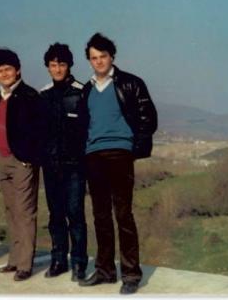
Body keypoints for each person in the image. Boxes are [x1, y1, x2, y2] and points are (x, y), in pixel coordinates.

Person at [78, 33, 158, 295]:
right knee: (100, 215)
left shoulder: (131, 83)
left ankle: (131, 275)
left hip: (120, 153)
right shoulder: (87, 90)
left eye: (103, 56)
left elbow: (148, 118)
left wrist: (135, 147)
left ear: (112, 56)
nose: (99, 61)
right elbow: (83, 126)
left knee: (123, 214)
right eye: (94, 58)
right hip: (93, 155)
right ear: (89, 61)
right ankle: (105, 271)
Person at [0, 48, 46, 282]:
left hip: (22, 162)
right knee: (11, 211)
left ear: (18, 70)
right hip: (3, 160)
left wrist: (30, 158)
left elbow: (41, 131)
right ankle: (14, 260)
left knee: (24, 213)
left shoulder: (30, 96)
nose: (4, 74)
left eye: (8, 69)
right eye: (0, 70)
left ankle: (25, 264)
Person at [39, 43, 88, 282]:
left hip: (75, 166)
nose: (57, 69)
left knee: (75, 214)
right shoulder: (43, 96)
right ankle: (58, 260)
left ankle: (79, 263)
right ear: (48, 67)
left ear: (69, 66)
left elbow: (88, 129)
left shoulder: (82, 92)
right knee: (55, 214)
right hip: (51, 166)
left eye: (62, 64)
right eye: (53, 65)